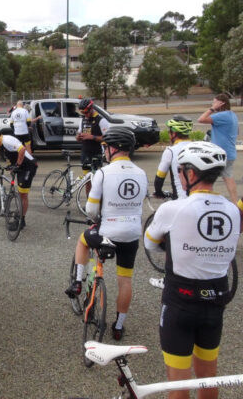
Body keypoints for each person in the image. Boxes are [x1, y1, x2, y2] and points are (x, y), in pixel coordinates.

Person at [144, 142, 239, 399]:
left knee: (178, 385)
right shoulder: (233, 210)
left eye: (182, 170)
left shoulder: (173, 208)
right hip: (216, 299)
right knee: (208, 378)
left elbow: (150, 243)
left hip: (180, 301)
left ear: (192, 174)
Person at [65, 127, 147, 341]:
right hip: (131, 233)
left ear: (113, 148)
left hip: (108, 232)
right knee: (125, 280)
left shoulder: (103, 173)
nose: (104, 151)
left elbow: (92, 209)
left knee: (83, 241)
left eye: (105, 147)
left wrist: (95, 221)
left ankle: (78, 281)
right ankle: (118, 326)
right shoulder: (141, 173)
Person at [0, 133, 38, 229]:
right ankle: (19, 215)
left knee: (23, 194)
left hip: (28, 166)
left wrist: (17, 165)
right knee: (20, 193)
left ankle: (21, 221)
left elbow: (22, 149)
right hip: (21, 167)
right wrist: (11, 166)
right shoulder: (0, 145)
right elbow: (11, 156)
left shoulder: (7, 141)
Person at [197, 93, 239, 203]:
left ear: (221, 103)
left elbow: (201, 119)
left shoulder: (222, 115)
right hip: (230, 152)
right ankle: (235, 203)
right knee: (228, 177)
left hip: (220, 154)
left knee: (206, 177)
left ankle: (205, 201)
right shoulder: (232, 115)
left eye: (214, 102)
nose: (213, 104)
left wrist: (212, 109)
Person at [154, 116, 193, 200]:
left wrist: (158, 192)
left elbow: (159, 178)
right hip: (197, 198)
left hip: (181, 198)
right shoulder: (197, 147)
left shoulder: (171, 151)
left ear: (174, 134)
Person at [76, 98, 109, 195]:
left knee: (97, 182)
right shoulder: (82, 119)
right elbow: (78, 135)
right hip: (85, 153)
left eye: (86, 112)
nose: (84, 114)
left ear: (91, 109)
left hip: (97, 153)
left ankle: (97, 204)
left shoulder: (101, 120)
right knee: (87, 182)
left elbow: (107, 138)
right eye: (82, 112)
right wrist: (78, 137)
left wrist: (92, 137)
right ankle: (88, 206)